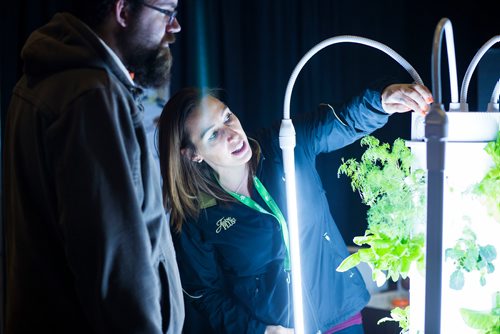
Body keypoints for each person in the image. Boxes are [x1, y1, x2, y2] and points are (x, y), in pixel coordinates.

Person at [157, 84, 433, 333]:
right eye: (213, 134)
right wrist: (259, 331)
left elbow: (341, 122)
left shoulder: (283, 145)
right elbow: (206, 295)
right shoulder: (197, 217)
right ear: (192, 154)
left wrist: (381, 103)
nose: (232, 134)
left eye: (227, 117)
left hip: (338, 315)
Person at [2, 0, 184, 333]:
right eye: (167, 12)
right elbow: (116, 266)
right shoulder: (92, 96)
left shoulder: (49, 81)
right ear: (123, 12)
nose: (174, 27)